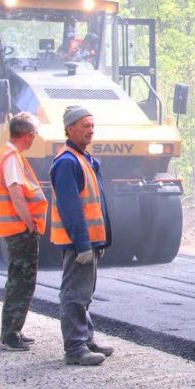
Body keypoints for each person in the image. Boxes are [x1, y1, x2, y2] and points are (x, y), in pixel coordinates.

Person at [50, 105, 114, 366]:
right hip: (78, 241)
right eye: (85, 126)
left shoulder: (84, 158)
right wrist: (83, 244)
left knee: (84, 292)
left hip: (89, 239)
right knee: (74, 293)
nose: (91, 130)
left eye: (92, 125)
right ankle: (75, 348)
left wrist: (100, 239)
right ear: (70, 128)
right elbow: (71, 207)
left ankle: (86, 339)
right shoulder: (67, 162)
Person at [0, 112, 48, 352]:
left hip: (14, 227)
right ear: (29, 135)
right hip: (19, 228)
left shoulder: (6, 154)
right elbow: (16, 193)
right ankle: (10, 335)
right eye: (34, 135)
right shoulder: (12, 158)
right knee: (21, 282)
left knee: (18, 280)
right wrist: (30, 222)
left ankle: (13, 331)